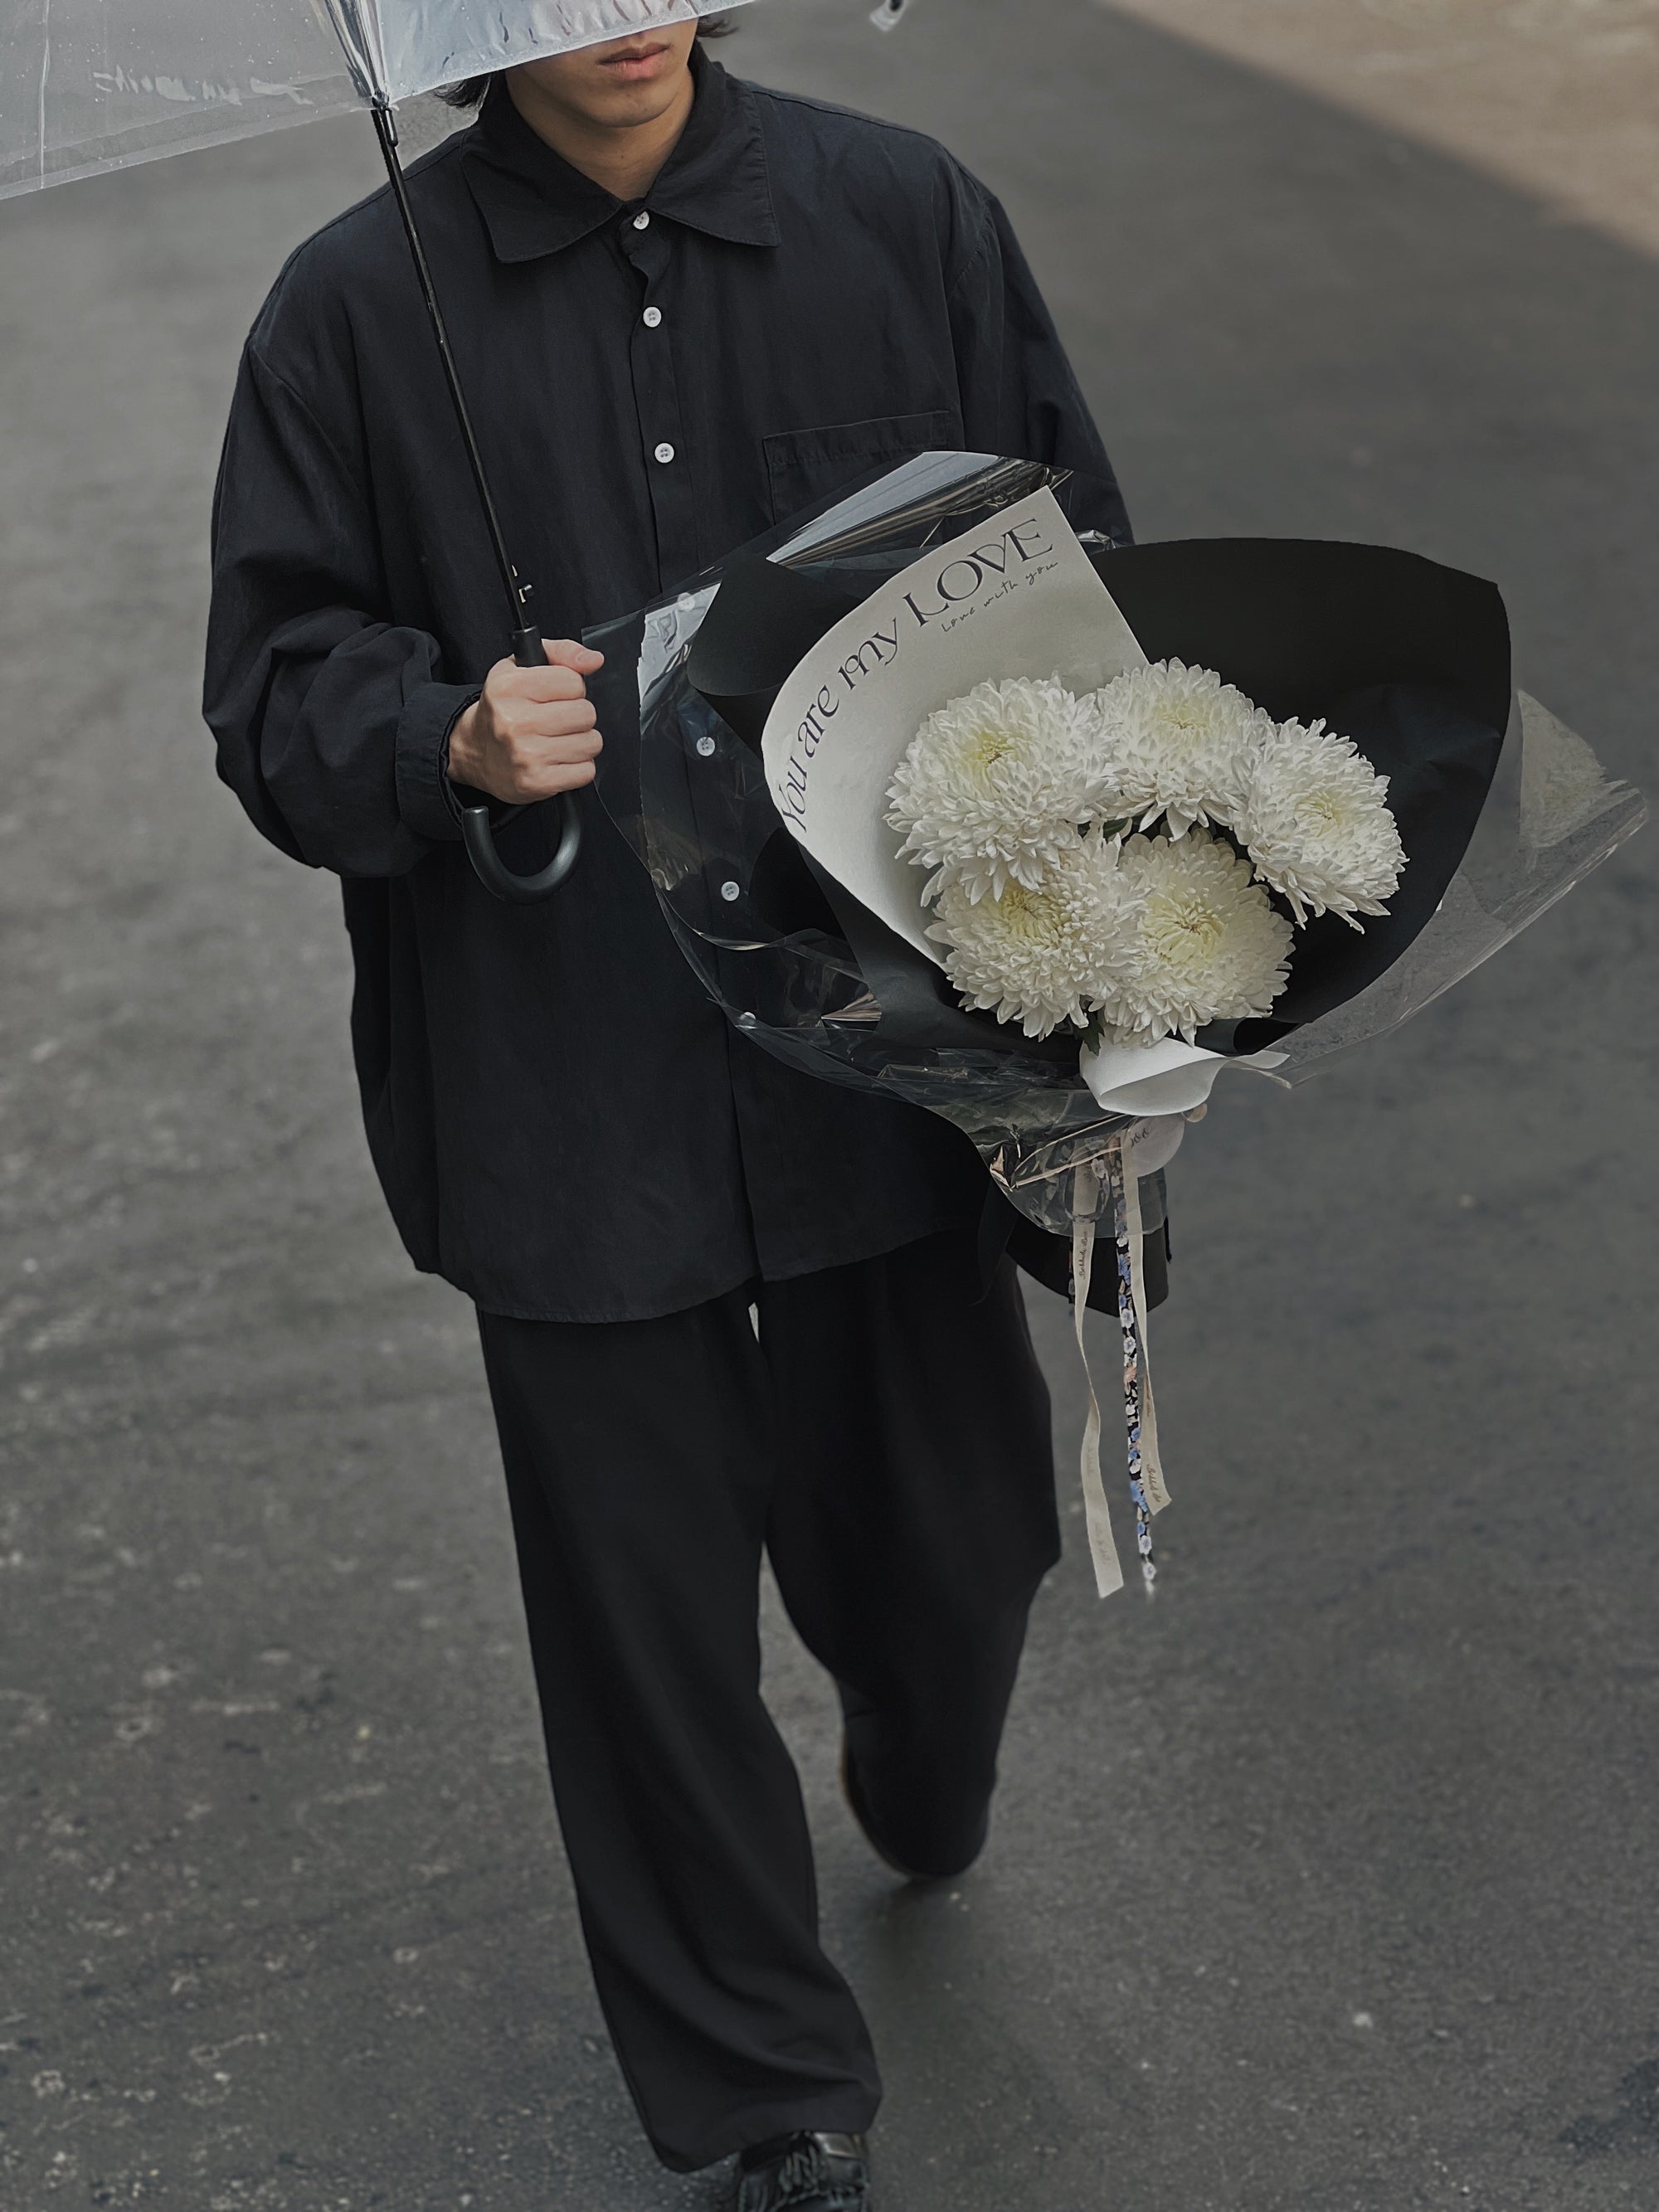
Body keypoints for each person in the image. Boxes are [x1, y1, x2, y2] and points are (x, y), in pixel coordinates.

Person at [205, 15, 1130, 2209]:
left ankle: (924, 1736)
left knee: (950, 1542)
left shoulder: (902, 216)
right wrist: (442, 728)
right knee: (639, 1625)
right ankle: (762, 2089)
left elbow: (1082, 555)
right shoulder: (352, 311)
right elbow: (268, 696)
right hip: (555, 1066)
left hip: (886, 1043)